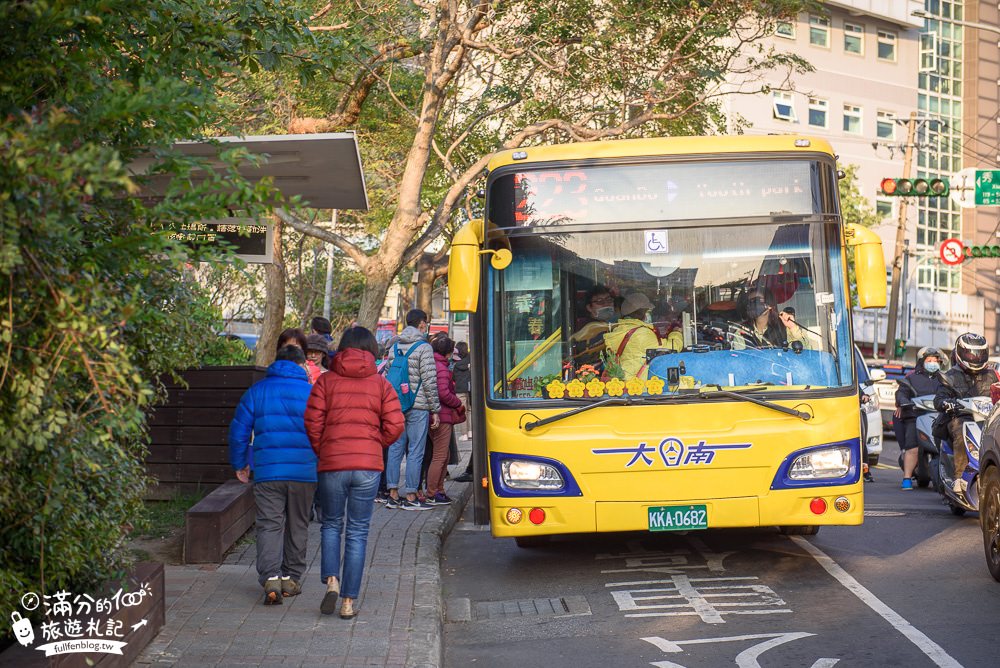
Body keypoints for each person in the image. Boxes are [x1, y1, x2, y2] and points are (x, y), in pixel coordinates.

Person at [304, 326, 404, 619]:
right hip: (368, 466)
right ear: (371, 350)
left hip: (333, 463)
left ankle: (332, 581)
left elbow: (312, 422)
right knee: (358, 532)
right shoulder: (381, 385)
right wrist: (375, 444)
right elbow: (396, 425)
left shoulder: (326, 382)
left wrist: (325, 449)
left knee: (331, 524)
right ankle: (348, 603)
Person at [228, 345, 317, 605]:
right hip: (304, 471)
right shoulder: (312, 393)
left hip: (268, 471)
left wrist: (240, 463)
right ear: (302, 365)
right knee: (298, 523)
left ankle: (270, 577)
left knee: (269, 524)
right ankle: (291, 578)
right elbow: (322, 431)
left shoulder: (258, 391)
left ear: (275, 363)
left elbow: (239, 431)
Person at [385, 309, 440, 510]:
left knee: (395, 448)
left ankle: (392, 493)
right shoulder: (424, 348)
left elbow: (389, 376)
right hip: (418, 405)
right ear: (422, 324)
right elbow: (429, 381)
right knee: (416, 450)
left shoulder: (395, 346)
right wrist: (435, 409)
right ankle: (410, 495)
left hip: (397, 404)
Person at [935, 332, 996, 494]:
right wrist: (947, 403)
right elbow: (939, 398)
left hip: (988, 419)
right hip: (961, 417)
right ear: (961, 352)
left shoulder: (992, 375)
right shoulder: (950, 376)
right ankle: (959, 476)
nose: (975, 357)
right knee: (960, 428)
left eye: (979, 353)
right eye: (971, 353)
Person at [895, 347, 945, 490]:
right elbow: (902, 392)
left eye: (935, 361)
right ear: (922, 362)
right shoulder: (912, 378)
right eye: (929, 360)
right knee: (913, 448)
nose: (932, 363)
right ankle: (906, 478)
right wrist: (903, 401)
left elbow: (952, 392)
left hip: (939, 416)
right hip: (915, 415)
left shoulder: (944, 378)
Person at [426, 334, 465, 506]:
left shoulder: (432, 364)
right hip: (441, 415)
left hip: (435, 415)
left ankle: (438, 490)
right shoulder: (441, 368)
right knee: (440, 456)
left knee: (443, 454)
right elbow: (443, 393)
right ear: (448, 353)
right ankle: (433, 492)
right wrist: (457, 403)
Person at [603, 292, 661, 380]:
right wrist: (677, 333)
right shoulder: (642, 333)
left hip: (619, 385)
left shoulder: (618, 330)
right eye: (647, 311)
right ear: (641, 314)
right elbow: (669, 348)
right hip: (638, 387)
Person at [571, 285, 616, 367]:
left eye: (609, 300)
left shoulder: (611, 325)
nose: (606, 304)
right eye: (600, 302)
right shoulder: (588, 329)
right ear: (589, 308)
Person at [452, 341, 471, 441]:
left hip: (460, 389)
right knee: (470, 410)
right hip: (470, 389)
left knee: (462, 411)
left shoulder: (456, 364)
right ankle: (471, 431)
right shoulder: (471, 361)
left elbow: (453, 377)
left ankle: (464, 434)